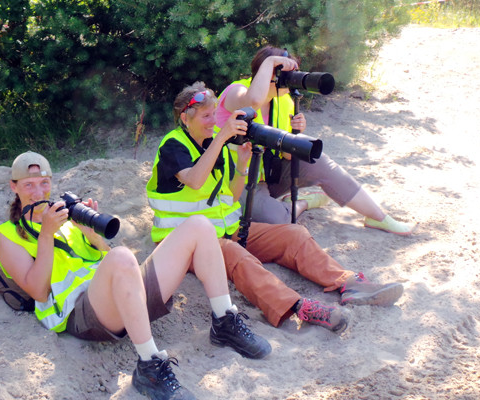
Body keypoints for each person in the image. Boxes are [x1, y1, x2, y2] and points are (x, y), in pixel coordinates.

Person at [0, 151, 271, 400]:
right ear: (14, 187)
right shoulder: (6, 234)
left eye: (44, 183)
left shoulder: (65, 219)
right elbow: (38, 291)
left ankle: (224, 321)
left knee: (199, 225)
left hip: (125, 298)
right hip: (81, 313)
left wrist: (91, 234)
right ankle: (149, 365)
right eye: (28, 185)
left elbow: (106, 258)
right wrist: (47, 235)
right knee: (123, 256)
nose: (38, 192)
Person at [146, 82, 405, 336]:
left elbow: (231, 197)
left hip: (226, 229)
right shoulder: (173, 146)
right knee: (238, 257)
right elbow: (194, 180)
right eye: (206, 115)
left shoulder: (215, 144)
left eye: (214, 113)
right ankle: (301, 307)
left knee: (294, 234)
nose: (213, 121)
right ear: (185, 117)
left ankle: (348, 283)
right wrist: (223, 138)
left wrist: (242, 167)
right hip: (187, 244)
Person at [215, 45, 415, 235]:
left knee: (317, 159)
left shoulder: (284, 101)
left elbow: (285, 155)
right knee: (279, 221)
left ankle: (378, 217)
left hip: (267, 175)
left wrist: (295, 135)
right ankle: (301, 203)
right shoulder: (236, 92)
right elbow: (253, 102)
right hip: (233, 182)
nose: (291, 78)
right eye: (285, 73)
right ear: (268, 73)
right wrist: (270, 62)